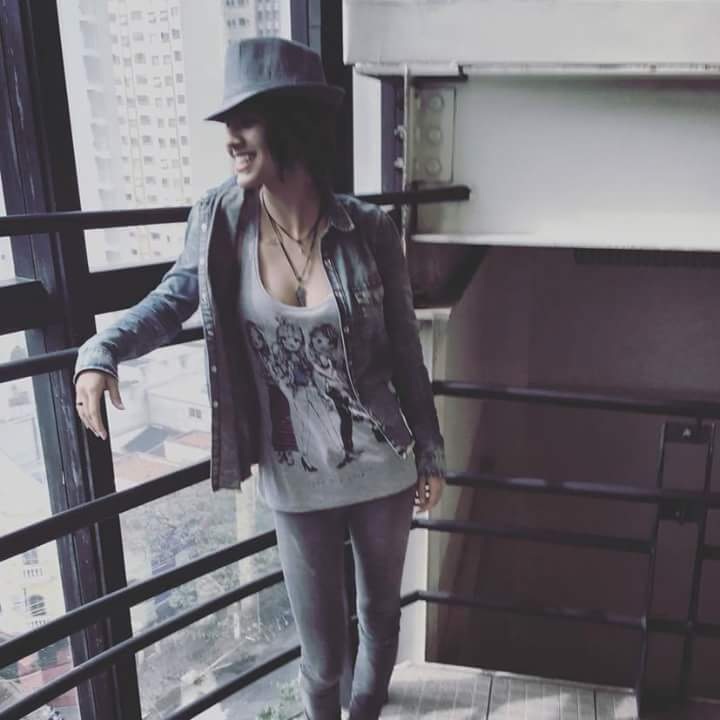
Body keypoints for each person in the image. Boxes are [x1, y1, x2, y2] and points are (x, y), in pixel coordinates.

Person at [73, 37, 446, 720]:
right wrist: (102, 350)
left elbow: (404, 352)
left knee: (379, 616)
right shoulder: (220, 221)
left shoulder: (370, 230)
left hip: (382, 465)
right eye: (227, 123)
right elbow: (172, 299)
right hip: (294, 478)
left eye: (245, 120)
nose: (231, 139)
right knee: (322, 657)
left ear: (290, 123)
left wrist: (430, 450)